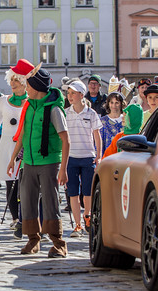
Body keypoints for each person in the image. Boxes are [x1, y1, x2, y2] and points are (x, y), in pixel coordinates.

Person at [7, 63, 70, 258]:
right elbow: (24, 134)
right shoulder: (30, 107)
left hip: (49, 162)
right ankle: (33, 239)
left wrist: (63, 169)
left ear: (38, 88)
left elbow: (66, 140)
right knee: (27, 200)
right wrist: (13, 159)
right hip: (29, 162)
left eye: (29, 85)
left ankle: (59, 243)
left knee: (51, 202)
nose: (27, 88)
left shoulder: (54, 110)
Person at [0, 59, 34, 230]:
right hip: (7, 145)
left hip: (25, 146)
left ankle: (25, 217)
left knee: (24, 184)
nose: (12, 83)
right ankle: (15, 218)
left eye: (16, 80)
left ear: (24, 83)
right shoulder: (3, 101)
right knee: (10, 183)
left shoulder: (32, 102)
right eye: (11, 79)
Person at [64, 80, 102, 237]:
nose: (70, 96)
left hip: (87, 157)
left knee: (87, 192)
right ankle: (77, 225)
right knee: (73, 193)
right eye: (68, 93)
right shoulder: (66, 113)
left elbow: (97, 135)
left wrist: (98, 155)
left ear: (81, 95)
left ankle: (87, 215)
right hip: (71, 158)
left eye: (73, 93)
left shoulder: (91, 113)